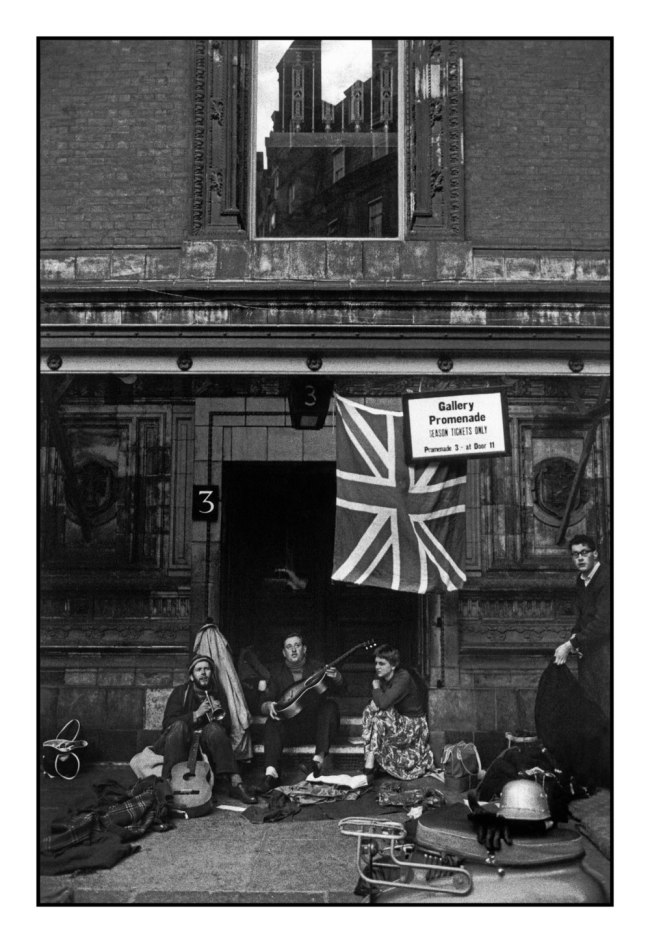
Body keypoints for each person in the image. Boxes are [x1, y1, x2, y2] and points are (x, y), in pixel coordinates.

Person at [151, 652, 257, 804]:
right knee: (179, 725)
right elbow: (168, 723)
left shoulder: (217, 693)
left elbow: (225, 729)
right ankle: (166, 783)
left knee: (214, 729)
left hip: (202, 747)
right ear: (192, 676)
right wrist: (196, 714)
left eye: (207, 669)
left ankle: (236, 783)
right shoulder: (180, 692)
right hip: (179, 743)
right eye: (198, 670)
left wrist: (218, 717)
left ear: (211, 673)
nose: (203, 673)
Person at [257, 632, 344, 793]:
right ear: (284, 652)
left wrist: (337, 678)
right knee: (272, 721)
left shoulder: (318, 668)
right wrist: (268, 705)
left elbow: (340, 691)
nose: (294, 650)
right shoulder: (276, 673)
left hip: (316, 729)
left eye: (297, 645)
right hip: (290, 730)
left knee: (330, 706)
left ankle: (317, 761)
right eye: (289, 647)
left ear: (304, 649)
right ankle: (271, 773)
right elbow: (263, 702)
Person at [554, 534, 611, 721]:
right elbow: (581, 620)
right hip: (589, 655)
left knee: (607, 707)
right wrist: (572, 640)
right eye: (575, 554)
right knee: (591, 707)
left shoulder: (607, 578)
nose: (579, 558)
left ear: (595, 554)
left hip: (608, 655)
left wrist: (571, 645)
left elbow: (604, 623)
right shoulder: (581, 580)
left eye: (584, 553)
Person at [360, 644, 433, 782]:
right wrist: (375, 702)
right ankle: (369, 759)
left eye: (382, 664)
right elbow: (378, 702)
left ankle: (370, 761)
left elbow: (383, 703)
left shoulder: (403, 677)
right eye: (376, 663)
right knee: (370, 711)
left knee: (383, 712)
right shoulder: (382, 677)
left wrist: (376, 688)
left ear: (393, 665)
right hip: (397, 721)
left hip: (413, 726)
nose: (377, 667)